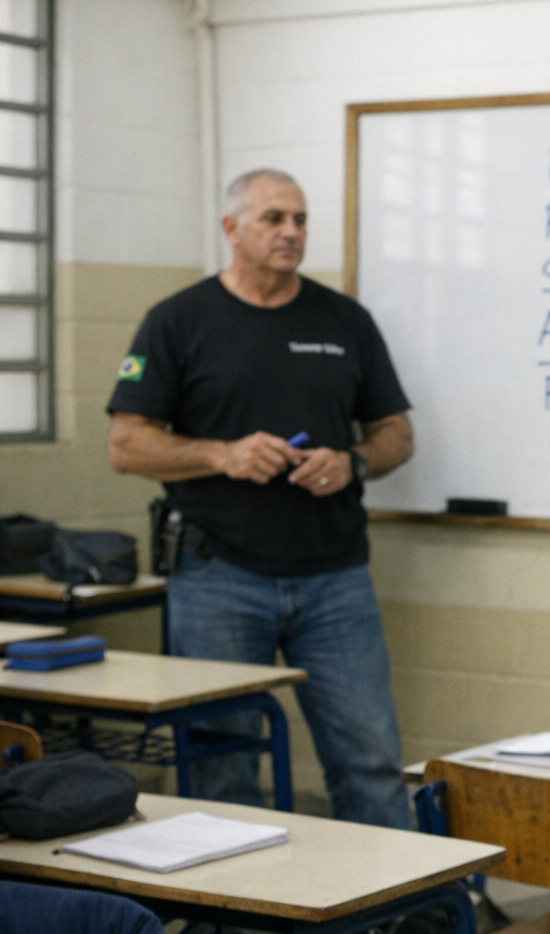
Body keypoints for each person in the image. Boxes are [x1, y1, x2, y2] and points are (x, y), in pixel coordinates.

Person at [106, 168, 415, 829]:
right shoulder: (177, 320)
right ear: (231, 229)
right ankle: (237, 922)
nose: (292, 232)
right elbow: (126, 445)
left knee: (370, 759)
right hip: (219, 577)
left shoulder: (344, 320)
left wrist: (351, 461)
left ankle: (392, 919)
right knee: (222, 764)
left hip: (335, 580)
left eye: (300, 219)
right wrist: (224, 454)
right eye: (274, 218)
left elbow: (396, 434)